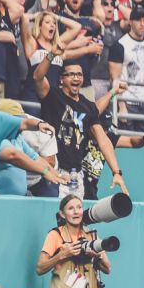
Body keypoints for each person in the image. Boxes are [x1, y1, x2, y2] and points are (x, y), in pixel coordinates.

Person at [39, 61, 128, 198]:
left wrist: (116, 172)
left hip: (76, 176)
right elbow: (37, 77)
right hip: (54, 170)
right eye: (71, 74)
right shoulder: (52, 96)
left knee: (75, 216)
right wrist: (51, 55)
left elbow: (103, 140)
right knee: (54, 215)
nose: (76, 78)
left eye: (79, 74)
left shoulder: (88, 106)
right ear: (61, 79)